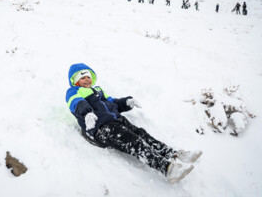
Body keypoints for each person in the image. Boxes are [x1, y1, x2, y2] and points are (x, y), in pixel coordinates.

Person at [65, 63, 203, 183]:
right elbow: (77, 103)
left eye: (88, 76)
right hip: (101, 127)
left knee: (142, 135)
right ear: (75, 81)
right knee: (134, 141)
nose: (86, 79)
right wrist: (87, 113)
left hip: (117, 121)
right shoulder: (73, 91)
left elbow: (113, 102)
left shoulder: (98, 90)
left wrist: (126, 102)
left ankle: (174, 154)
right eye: (82, 77)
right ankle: (168, 169)